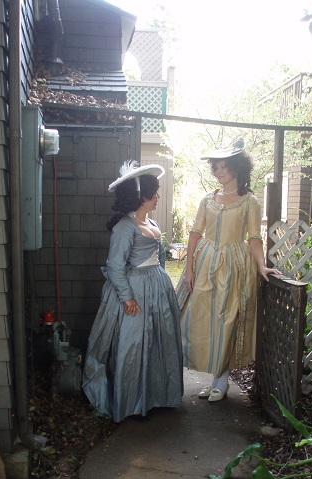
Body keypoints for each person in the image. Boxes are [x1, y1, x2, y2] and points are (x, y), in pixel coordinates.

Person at [177, 139, 281, 402]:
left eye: (224, 167)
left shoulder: (250, 201)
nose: (218, 171)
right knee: (203, 319)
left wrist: (261, 265)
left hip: (234, 266)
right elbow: (194, 234)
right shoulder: (207, 200)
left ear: (237, 169)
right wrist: (189, 269)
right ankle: (214, 377)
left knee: (226, 320)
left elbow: (255, 238)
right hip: (205, 264)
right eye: (216, 166)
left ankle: (220, 381)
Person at [83, 161, 184, 422]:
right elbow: (115, 265)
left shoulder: (149, 221)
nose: (158, 197)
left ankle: (158, 396)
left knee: (159, 342)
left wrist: (160, 280)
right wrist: (127, 297)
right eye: (155, 193)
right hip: (135, 290)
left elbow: (159, 255)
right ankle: (132, 401)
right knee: (134, 344)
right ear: (142, 197)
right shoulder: (125, 227)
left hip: (156, 288)